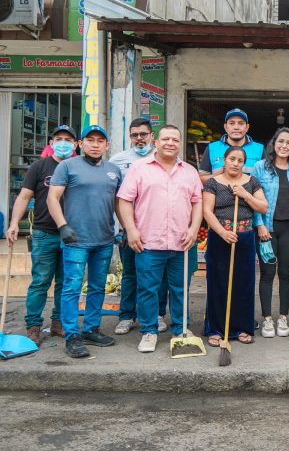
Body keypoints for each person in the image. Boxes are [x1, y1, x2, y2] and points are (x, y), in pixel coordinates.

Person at [117, 125, 203, 353]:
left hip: (182, 241)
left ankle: (181, 328)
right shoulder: (140, 168)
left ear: (180, 143)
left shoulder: (189, 171)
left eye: (175, 139)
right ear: (156, 142)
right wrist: (131, 230)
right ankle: (149, 331)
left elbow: (197, 202)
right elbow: (124, 200)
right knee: (148, 289)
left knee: (180, 289)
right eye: (166, 139)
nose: (170, 143)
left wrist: (194, 229)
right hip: (148, 241)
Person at [47, 125, 123, 359]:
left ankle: (91, 329)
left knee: (97, 287)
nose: (95, 144)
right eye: (90, 140)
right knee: (72, 287)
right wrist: (63, 226)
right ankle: (71, 334)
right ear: (80, 144)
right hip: (76, 239)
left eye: (100, 141)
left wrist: (124, 229)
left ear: (107, 145)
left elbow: (118, 203)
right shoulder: (67, 166)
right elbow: (52, 198)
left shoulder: (114, 171)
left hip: (104, 239)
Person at [6, 124, 78, 345]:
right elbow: (24, 197)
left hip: (71, 235)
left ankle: (58, 323)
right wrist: (14, 223)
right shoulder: (39, 166)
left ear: (75, 145)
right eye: (59, 139)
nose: (63, 143)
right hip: (44, 234)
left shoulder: (78, 166)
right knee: (40, 281)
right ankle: (33, 325)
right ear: (51, 143)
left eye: (68, 139)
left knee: (65, 283)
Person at [109, 118, 170, 335]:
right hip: (129, 229)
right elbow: (117, 198)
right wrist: (126, 227)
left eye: (143, 134)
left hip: (157, 229)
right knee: (130, 274)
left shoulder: (165, 158)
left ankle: (158, 314)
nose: (139, 139)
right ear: (130, 137)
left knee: (159, 276)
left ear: (152, 136)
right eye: (134, 135)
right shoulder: (118, 161)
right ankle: (127, 316)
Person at [202, 146, 267, 346]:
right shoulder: (213, 182)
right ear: (224, 159)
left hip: (245, 237)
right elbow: (207, 211)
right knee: (218, 282)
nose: (236, 163)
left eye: (240, 160)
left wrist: (245, 195)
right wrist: (222, 232)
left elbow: (263, 207)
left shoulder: (252, 182)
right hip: (219, 237)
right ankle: (216, 329)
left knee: (243, 284)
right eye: (232, 159)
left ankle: (242, 327)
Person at [253, 128, 289, 338]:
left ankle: (283, 317)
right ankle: (267, 319)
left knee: (285, 274)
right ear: (273, 143)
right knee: (267, 274)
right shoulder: (260, 167)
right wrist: (259, 225)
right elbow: (253, 197)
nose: (284, 146)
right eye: (281, 141)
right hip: (267, 229)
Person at [198, 108, 264, 183]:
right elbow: (200, 179)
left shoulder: (259, 149)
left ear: (247, 127)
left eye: (241, 123)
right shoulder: (212, 148)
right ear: (225, 127)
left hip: (250, 191)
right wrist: (219, 176)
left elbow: (267, 180)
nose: (236, 127)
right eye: (232, 123)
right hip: (219, 190)